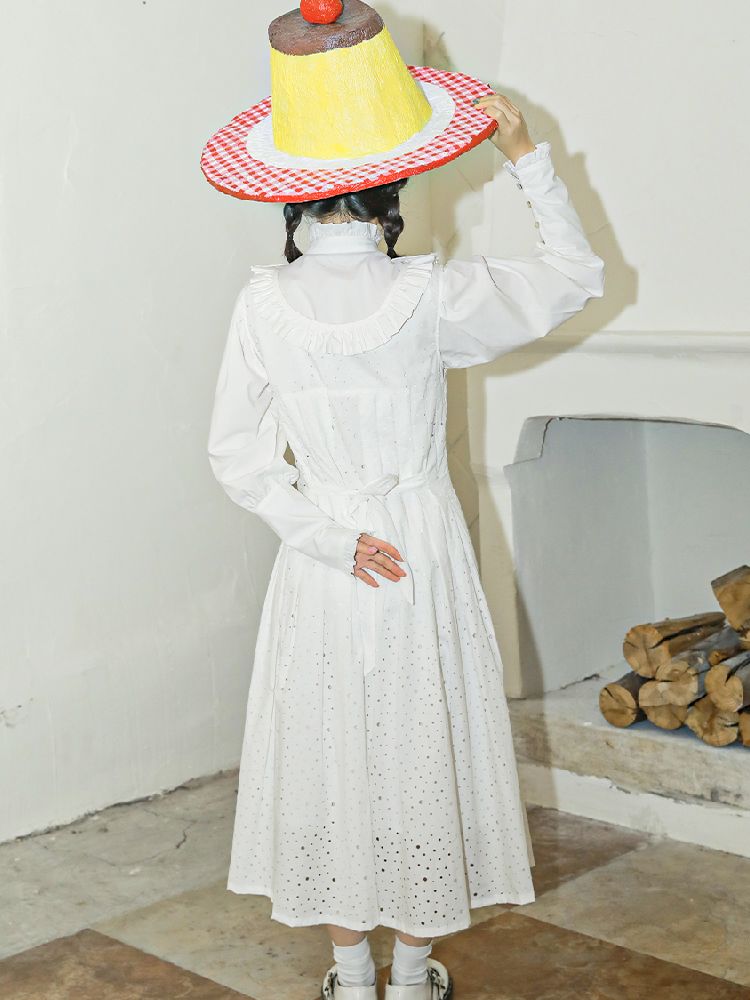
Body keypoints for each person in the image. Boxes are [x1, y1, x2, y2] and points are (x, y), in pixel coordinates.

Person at [202, 5, 605, 998]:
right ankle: (415, 975)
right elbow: (574, 276)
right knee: (423, 747)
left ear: (291, 191)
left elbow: (237, 456)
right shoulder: (431, 296)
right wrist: (526, 157)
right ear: (393, 182)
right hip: (419, 543)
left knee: (336, 750)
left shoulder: (262, 305)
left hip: (327, 556)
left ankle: (350, 975)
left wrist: (327, 538)